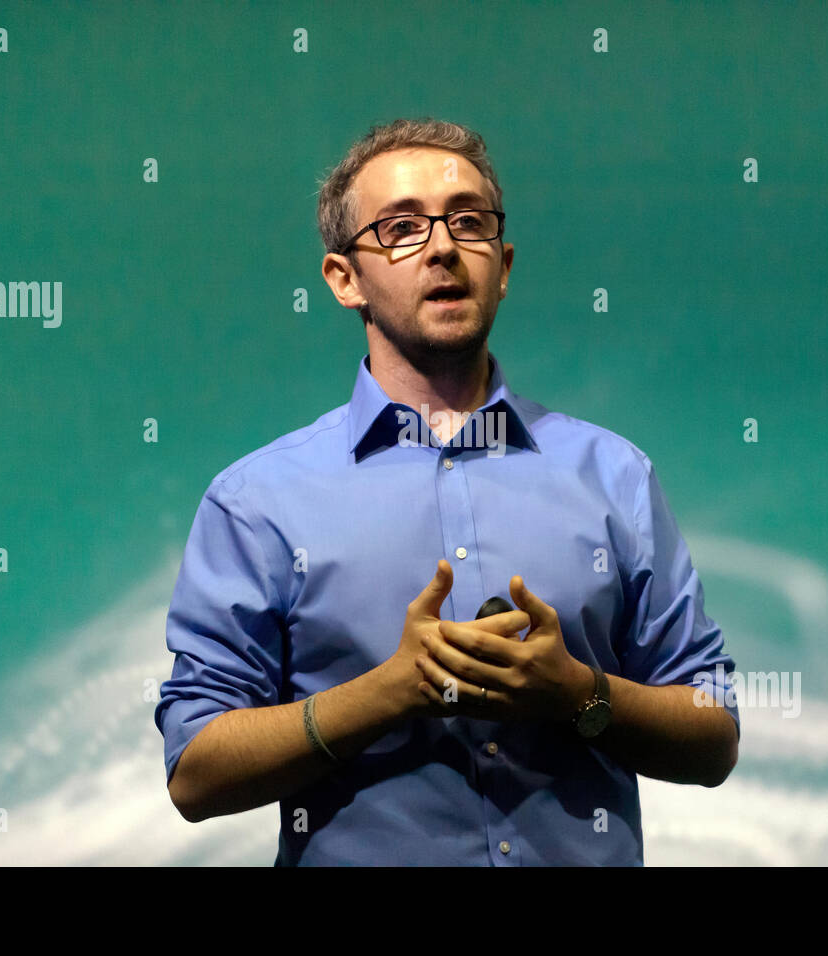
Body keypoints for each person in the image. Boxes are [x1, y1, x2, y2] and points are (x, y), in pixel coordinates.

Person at [154, 117, 740, 866]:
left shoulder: (614, 477)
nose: (441, 246)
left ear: (504, 262)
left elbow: (713, 735)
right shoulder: (258, 502)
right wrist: (389, 693)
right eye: (401, 227)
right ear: (344, 279)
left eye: (469, 221)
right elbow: (195, 770)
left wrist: (577, 694)